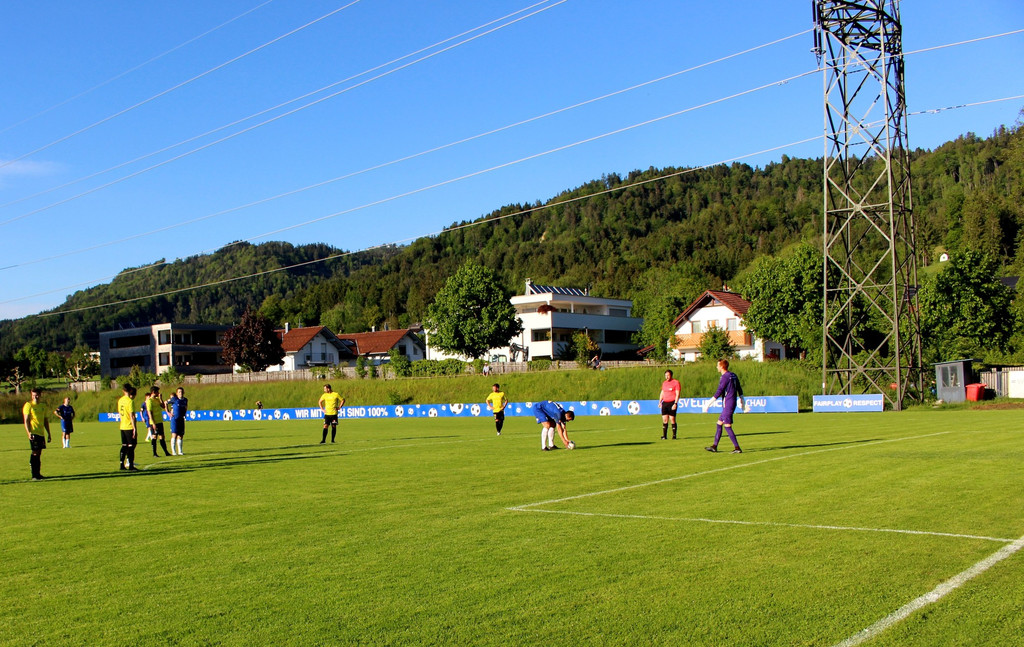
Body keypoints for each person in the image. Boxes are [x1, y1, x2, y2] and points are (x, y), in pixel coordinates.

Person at [704, 359, 745, 454]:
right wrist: (742, 399)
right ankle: (714, 446)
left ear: (722, 366)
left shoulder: (725, 377)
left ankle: (737, 448)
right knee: (719, 423)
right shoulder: (733, 375)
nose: (716, 367)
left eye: (717, 365)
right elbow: (739, 388)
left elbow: (719, 390)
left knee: (727, 426)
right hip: (731, 402)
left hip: (728, 403)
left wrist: (708, 403)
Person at [23, 387, 52, 480]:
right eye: (33, 395)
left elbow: (45, 420)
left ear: (40, 395)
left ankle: (38, 474)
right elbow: (26, 420)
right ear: (31, 395)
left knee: (39, 453)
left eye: (37, 395)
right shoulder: (28, 405)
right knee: (35, 453)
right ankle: (34, 474)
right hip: (33, 432)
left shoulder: (43, 406)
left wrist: (49, 433)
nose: (35, 397)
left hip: (41, 433)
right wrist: (29, 432)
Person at [117, 385, 140, 471]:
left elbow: (119, 413)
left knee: (124, 446)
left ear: (123, 390)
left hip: (122, 426)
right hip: (129, 426)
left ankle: (121, 465)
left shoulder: (120, 400)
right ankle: (131, 466)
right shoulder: (130, 401)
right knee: (131, 446)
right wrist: (134, 428)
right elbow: (132, 416)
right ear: (130, 390)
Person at [147, 386, 171, 457]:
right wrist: (153, 423)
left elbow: (163, 406)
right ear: (153, 392)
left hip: (160, 421)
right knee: (154, 437)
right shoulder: (149, 401)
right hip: (154, 422)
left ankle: (166, 452)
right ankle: (154, 453)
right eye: (157, 392)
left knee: (162, 437)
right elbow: (149, 413)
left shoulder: (157, 399)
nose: (158, 393)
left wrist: (160, 398)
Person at [659, 369, 682, 440]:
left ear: (671, 375)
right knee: (665, 420)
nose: (667, 377)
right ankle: (664, 436)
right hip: (665, 403)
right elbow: (662, 392)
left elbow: (677, 394)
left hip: (672, 402)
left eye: (668, 375)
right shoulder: (664, 383)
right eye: (665, 375)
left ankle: (674, 435)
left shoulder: (676, 382)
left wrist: (675, 403)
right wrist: (660, 401)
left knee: (672, 419)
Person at [165, 387, 188, 456]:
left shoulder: (185, 400)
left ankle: (180, 451)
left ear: (183, 392)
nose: (180, 393)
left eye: (181, 392)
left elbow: (186, 407)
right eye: (179, 392)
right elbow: (165, 402)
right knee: (174, 435)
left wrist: (184, 413)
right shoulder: (174, 399)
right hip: (174, 419)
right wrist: (168, 412)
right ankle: (173, 451)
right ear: (177, 393)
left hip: (181, 419)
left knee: (180, 435)